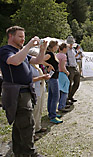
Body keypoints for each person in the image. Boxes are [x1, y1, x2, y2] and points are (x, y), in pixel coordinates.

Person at [0, 26, 47, 157]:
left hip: (25, 91)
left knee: (20, 124)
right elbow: (14, 61)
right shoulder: (5, 50)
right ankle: (30, 153)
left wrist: (42, 49)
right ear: (11, 36)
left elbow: (37, 60)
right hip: (17, 92)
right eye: (20, 36)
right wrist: (29, 45)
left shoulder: (21, 52)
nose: (23, 39)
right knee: (27, 123)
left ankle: (19, 152)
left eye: (24, 37)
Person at [28, 48, 50, 139]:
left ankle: (38, 127)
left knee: (40, 109)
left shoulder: (36, 65)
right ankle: (31, 133)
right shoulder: (28, 66)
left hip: (40, 89)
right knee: (34, 111)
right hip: (34, 90)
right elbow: (30, 79)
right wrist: (42, 77)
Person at [44, 40, 63, 124]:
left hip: (54, 77)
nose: (58, 47)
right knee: (55, 96)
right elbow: (40, 60)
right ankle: (52, 115)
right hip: (53, 78)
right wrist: (49, 65)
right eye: (57, 46)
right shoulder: (49, 54)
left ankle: (51, 112)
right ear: (54, 46)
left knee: (51, 96)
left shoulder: (52, 54)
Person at [56, 43, 70, 112]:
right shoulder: (63, 56)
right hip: (62, 73)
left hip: (57, 73)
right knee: (65, 90)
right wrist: (67, 72)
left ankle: (60, 104)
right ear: (64, 48)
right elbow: (62, 67)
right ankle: (62, 105)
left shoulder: (57, 55)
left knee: (59, 90)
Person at [66, 36, 80, 103]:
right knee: (69, 84)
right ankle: (67, 98)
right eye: (70, 43)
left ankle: (70, 96)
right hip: (69, 67)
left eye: (72, 43)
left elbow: (74, 57)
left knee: (77, 83)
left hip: (75, 67)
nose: (71, 45)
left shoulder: (74, 49)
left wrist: (78, 54)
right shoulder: (65, 50)